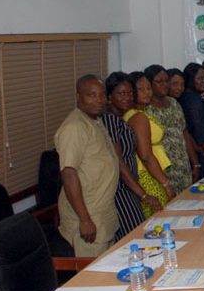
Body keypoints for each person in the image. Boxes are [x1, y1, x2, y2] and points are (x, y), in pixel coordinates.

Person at [55, 75, 119, 257]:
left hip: (103, 213)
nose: (99, 100)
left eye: (102, 95)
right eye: (91, 95)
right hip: (88, 216)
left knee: (109, 273)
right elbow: (69, 174)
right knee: (93, 279)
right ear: (78, 96)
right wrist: (84, 219)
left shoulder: (94, 119)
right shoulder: (74, 127)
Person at [103, 72, 153, 240]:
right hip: (120, 190)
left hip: (131, 186)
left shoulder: (120, 118)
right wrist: (144, 195)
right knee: (136, 236)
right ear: (109, 96)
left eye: (130, 93)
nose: (127, 97)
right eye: (121, 93)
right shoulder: (109, 120)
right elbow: (119, 162)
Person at [124, 72, 173, 217]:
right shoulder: (138, 117)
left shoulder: (137, 112)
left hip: (151, 172)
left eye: (148, 88)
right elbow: (145, 155)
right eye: (140, 89)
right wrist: (166, 184)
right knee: (161, 219)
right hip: (148, 175)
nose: (147, 92)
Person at [145, 65, 199, 193]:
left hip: (183, 165)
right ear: (150, 84)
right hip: (163, 169)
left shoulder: (174, 103)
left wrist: (195, 163)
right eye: (159, 81)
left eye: (166, 81)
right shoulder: (145, 109)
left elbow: (184, 132)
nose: (164, 84)